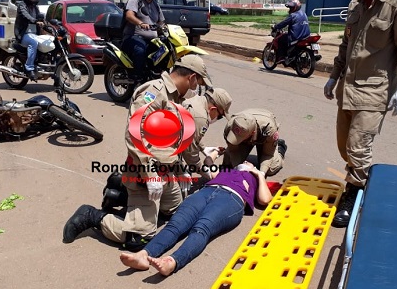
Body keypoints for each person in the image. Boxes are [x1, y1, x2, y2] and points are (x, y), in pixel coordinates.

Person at [62, 54, 215, 250]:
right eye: (197, 84)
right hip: (144, 171)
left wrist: (180, 168)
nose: (194, 89)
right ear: (192, 77)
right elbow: (135, 135)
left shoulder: (173, 96)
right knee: (139, 239)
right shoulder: (154, 92)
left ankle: (120, 192)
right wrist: (151, 176)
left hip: (166, 171)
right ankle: (92, 216)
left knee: (174, 211)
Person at [323, 0, 397, 228]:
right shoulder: (356, 3)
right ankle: (361, 176)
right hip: (348, 88)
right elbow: (346, 45)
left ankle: (354, 195)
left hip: (375, 91)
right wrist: (334, 76)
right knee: (345, 147)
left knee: (357, 147)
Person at [119, 159, 273, 276]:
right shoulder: (225, 171)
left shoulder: (254, 178)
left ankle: (172, 262)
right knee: (175, 224)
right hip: (205, 192)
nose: (246, 162)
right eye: (244, 161)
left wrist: (259, 175)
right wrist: (212, 154)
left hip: (232, 199)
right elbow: (207, 166)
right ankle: (144, 255)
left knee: (201, 229)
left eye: (250, 163)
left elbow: (265, 199)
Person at [180, 87, 233, 184]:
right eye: (220, 116)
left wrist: (203, 148)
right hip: (161, 151)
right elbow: (190, 152)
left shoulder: (195, 99)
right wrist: (203, 170)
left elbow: (188, 133)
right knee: (176, 194)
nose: (218, 118)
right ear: (213, 109)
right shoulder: (200, 117)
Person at [121, 0, 166, 82]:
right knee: (140, 50)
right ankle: (137, 78)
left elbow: (161, 22)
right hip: (133, 37)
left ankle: (156, 74)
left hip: (151, 40)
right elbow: (129, 15)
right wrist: (140, 23)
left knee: (165, 50)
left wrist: (165, 28)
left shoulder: (155, 4)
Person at [222, 109, 287, 177]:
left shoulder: (269, 130)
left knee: (271, 168)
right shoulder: (230, 127)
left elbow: (268, 155)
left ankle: (280, 147)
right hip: (247, 136)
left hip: (264, 138)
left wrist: (261, 173)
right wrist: (237, 168)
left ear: (252, 133)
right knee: (228, 166)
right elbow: (233, 151)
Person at [14, 0, 44, 80]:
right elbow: (26, 16)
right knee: (33, 42)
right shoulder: (22, 6)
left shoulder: (35, 7)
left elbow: (40, 16)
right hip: (23, 34)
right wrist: (35, 21)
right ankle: (29, 67)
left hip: (34, 34)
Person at [272, 0, 311, 64]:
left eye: (292, 7)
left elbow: (283, 23)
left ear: (296, 7)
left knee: (280, 39)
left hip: (296, 36)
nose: (290, 9)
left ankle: (281, 57)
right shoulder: (304, 14)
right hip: (306, 36)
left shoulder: (293, 15)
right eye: (290, 7)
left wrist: (275, 26)